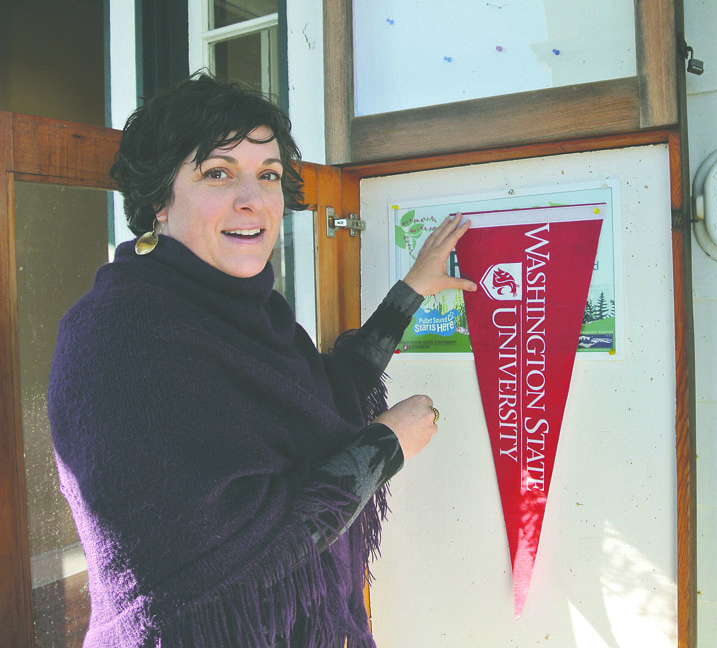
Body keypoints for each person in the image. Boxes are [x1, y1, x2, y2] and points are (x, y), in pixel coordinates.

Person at [47, 73, 475, 647]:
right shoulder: (117, 334)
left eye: (267, 175)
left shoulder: (251, 313)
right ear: (158, 201)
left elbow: (328, 388)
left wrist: (411, 292)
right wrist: (387, 443)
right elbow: (247, 550)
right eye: (217, 173)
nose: (252, 200)